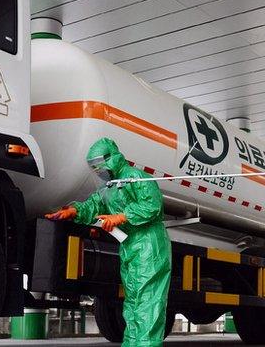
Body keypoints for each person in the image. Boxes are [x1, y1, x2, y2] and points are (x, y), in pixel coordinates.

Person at [46, 137, 172, 347]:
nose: (97, 170)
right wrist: (73, 211)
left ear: (112, 158)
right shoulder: (108, 188)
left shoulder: (136, 177)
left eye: (99, 164)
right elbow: (93, 205)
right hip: (130, 246)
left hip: (150, 246)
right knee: (132, 304)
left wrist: (121, 217)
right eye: (93, 166)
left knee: (148, 302)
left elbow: (152, 206)